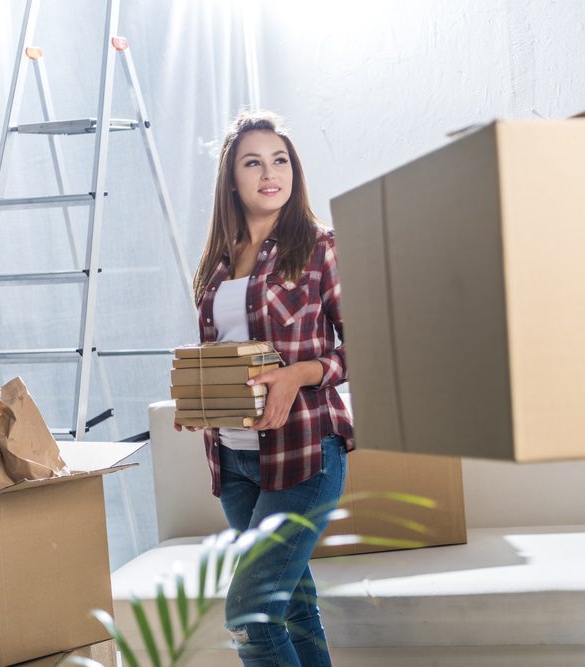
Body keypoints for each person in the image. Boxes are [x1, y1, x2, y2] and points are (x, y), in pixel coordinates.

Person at [176, 110, 353, 666]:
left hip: (305, 456)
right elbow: (223, 353)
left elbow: (366, 344)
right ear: (232, 177)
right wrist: (197, 396)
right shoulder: (216, 262)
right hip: (235, 461)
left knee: (248, 615)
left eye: (280, 160)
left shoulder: (319, 247)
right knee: (294, 608)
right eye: (253, 162)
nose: (269, 172)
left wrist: (299, 374)